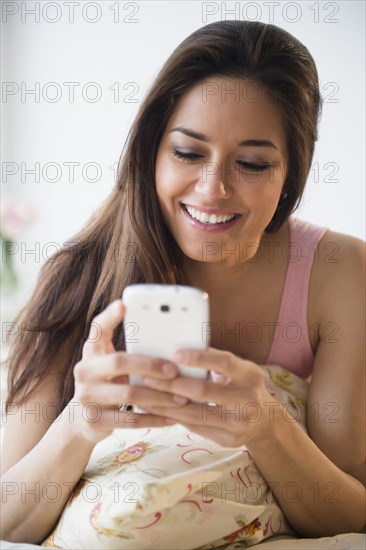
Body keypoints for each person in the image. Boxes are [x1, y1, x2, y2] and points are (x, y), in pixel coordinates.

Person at [1, 20, 365, 544]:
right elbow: (7, 521)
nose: (213, 188)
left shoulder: (341, 271)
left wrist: (266, 427)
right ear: (150, 152)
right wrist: (80, 424)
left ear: (292, 176)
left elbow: (348, 511)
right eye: (188, 153)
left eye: (252, 163)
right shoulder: (77, 275)